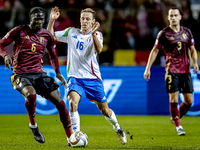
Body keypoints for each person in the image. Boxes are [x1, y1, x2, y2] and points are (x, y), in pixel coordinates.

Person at [47, 7, 127, 145]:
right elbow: (50, 36)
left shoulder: (98, 35)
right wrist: (51, 21)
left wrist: (93, 34)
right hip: (74, 77)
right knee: (72, 102)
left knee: (105, 110)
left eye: (87, 19)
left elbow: (99, 49)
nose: (84, 21)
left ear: (93, 22)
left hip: (93, 79)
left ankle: (117, 127)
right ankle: (76, 134)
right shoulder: (71, 32)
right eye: (82, 18)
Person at [0, 7, 72, 145]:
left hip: (39, 74)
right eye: (36, 18)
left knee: (61, 104)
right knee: (31, 95)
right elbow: (1, 44)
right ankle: (33, 125)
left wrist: (58, 73)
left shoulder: (47, 35)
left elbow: (52, 55)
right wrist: (5, 55)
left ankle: (70, 138)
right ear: (30, 18)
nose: (39, 21)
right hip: (21, 74)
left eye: (41, 18)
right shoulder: (19, 31)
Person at [144, 7, 199, 136]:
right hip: (172, 70)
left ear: (180, 17)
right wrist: (148, 68)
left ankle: (176, 116)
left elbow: (192, 49)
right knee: (173, 98)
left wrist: (195, 62)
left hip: (185, 71)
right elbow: (155, 50)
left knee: (189, 101)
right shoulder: (163, 34)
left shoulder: (187, 32)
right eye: (171, 16)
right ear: (168, 18)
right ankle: (179, 126)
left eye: (175, 15)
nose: (173, 17)